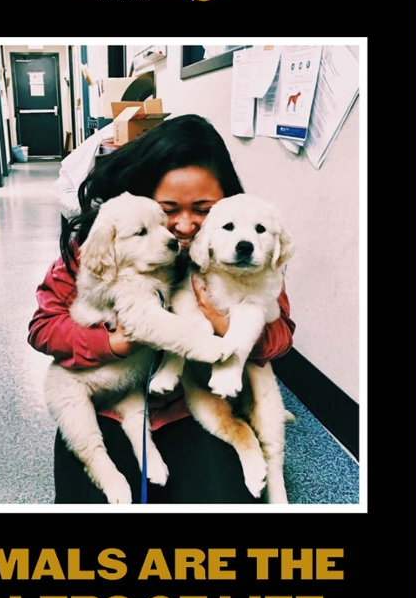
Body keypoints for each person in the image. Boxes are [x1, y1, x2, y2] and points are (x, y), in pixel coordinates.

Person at [28, 114, 295, 504]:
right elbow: (42, 328)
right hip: (112, 405)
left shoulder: (243, 248)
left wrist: (225, 325)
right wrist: (113, 342)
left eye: (203, 208)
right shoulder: (99, 243)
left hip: (192, 405)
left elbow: (280, 337)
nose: (184, 226)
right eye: (168, 208)